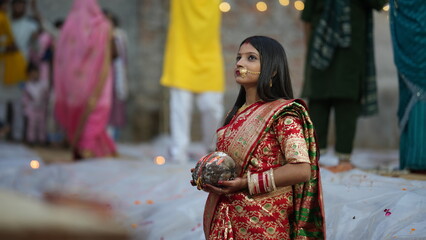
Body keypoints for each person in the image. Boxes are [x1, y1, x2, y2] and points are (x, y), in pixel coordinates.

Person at [193, 36, 325, 239]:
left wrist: (246, 183)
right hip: (229, 219)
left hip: (265, 224)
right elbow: (232, 165)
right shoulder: (236, 114)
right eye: (239, 57)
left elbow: (302, 170)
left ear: (272, 70)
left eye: (251, 58)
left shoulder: (284, 115)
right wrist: (208, 173)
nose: (239, 63)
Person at [301, 0, 388, 172]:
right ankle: (315, 160)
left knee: (347, 107)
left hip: (349, 59)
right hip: (321, 59)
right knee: (318, 105)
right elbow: (307, 20)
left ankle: (343, 160)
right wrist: (313, 50)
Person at [160, 0, 225, 164]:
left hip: (209, 55)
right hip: (182, 53)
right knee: (180, 108)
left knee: (212, 107)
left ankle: (211, 147)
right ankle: (178, 151)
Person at [54, 0, 117, 160]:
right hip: (97, 86)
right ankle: (86, 153)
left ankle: (85, 153)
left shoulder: (70, 26)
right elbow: (105, 61)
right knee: (91, 126)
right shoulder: (103, 26)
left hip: (77, 88)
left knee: (87, 127)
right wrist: (98, 88)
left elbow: (63, 60)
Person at [389, 1, 426, 173]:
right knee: (415, 95)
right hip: (411, 44)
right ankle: (417, 159)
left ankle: (416, 158)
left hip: (408, 39)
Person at [0, 0, 27, 141]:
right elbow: (6, 43)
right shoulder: (3, 19)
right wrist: (6, 48)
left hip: (17, 69)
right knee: (1, 102)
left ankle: (17, 135)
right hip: (4, 67)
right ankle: (3, 135)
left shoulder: (29, 25)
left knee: (18, 102)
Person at [22, 62, 48, 145]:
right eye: (32, 73)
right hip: (31, 108)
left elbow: (45, 95)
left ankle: (41, 139)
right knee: (31, 125)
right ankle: (31, 139)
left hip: (41, 108)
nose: (34, 75)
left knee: (41, 125)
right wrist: (26, 105)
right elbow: (25, 98)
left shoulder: (43, 84)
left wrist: (45, 103)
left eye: (35, 73)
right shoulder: (27, 85)